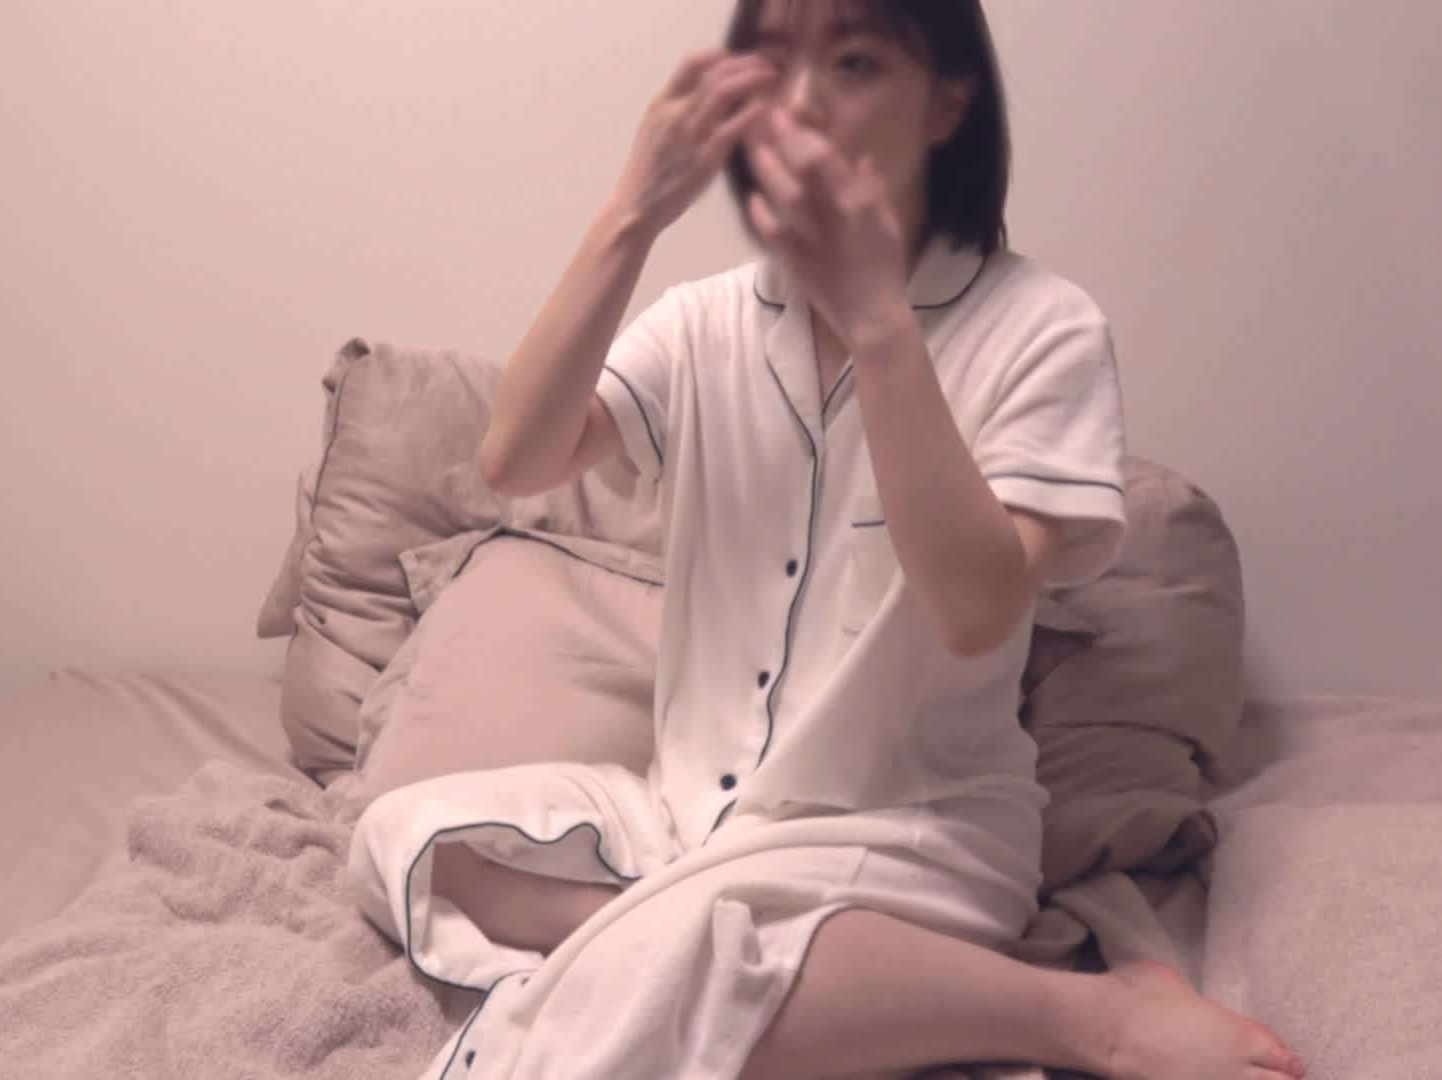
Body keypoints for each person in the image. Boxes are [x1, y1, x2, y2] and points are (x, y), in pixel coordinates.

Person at [349, 2, 1310, 1077]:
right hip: (684, 820)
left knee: (687, 978)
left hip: (908, 837)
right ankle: (679, 950)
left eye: (852, 62)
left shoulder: (1045, 329)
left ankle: (1088, 1017)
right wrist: (633, 211)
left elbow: (974, 610)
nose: (799, 100)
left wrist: (878, 322)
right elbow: (516, 457)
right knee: (402, 837)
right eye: (772, 62)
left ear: (947, 102)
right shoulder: (707, 319)